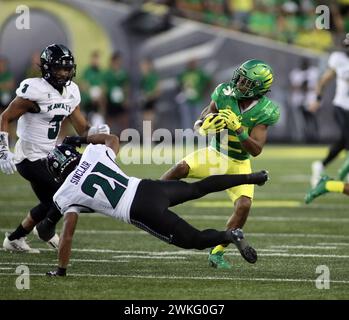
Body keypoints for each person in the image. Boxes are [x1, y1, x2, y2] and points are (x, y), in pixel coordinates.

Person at [44, 133, 269, 276]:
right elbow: (111, 139)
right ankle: (249, 178)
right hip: (148, 188)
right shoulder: (92, 154)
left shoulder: (64, 194)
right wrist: (82, 139)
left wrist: (61, 270)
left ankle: (229, 236)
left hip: (139, 211)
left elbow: (67, 235)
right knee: (197, 188)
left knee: (195, 239)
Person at [161, 59, 280, 269]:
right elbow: (207, 112)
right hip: (216, 153)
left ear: (258, 89)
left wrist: (238, 129)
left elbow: (256, 150)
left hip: (239, 162)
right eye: (240, 78)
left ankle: (217, 252)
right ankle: (146, 198)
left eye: (246, 82)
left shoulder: (265, 110)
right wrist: (203, 124)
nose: (239, 83)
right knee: (180, 168)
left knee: (244, 205)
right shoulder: (225, 92)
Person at [1, 44, 110, 253]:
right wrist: (3, 150)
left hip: (51, 155)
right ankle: (45, 230)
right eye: (58, 68)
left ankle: (15, 238)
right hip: (29, 157)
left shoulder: (71, 92)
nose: (63, 73)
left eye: (66, 68)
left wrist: (98, 130)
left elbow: (83, 129)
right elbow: (5, 118)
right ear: (46, 68)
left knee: (51, 200)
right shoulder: (35, 90)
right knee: (64, 194)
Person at [309, 34, 349, 186]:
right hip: (342, 105)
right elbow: (323, 80)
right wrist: (318, 99)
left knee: (343, 141)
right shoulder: (339, 59)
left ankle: (321, 165)